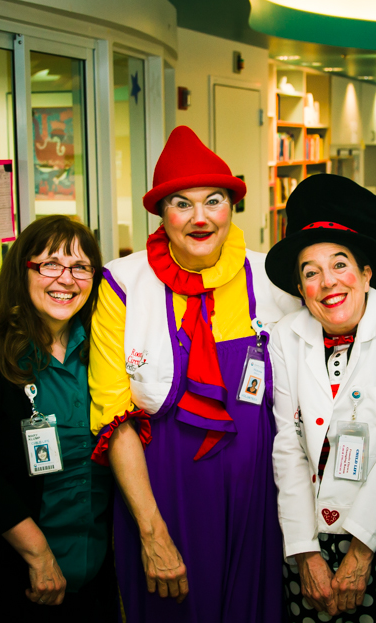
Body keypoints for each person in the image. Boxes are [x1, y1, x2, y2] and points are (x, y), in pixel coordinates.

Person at [88, 126, 300, 622]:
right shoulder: (122, 284)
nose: (200, 217)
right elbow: (114, 414)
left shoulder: (274, 278)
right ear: (162, 214)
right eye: (182, 203)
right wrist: (151, 531)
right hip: (163, 493)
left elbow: (341, 322)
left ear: (232, 206)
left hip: (258, 499)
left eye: (215, 200)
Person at [0, 216, 117, 622]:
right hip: (14, 573)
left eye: (80, 267)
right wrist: (39, 554)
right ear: (23, 269)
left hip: (95, 567)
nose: (65, 279)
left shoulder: (103, 340)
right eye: (50, 264)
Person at [265, 174, 376, 622]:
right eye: (310, 273)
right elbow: (288, 447)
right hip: (307, 534)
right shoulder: (284, 339)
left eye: (340, 264)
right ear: (300, 289)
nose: (328, 282)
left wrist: (360, 553)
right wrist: (305, 553)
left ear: (366, 272)